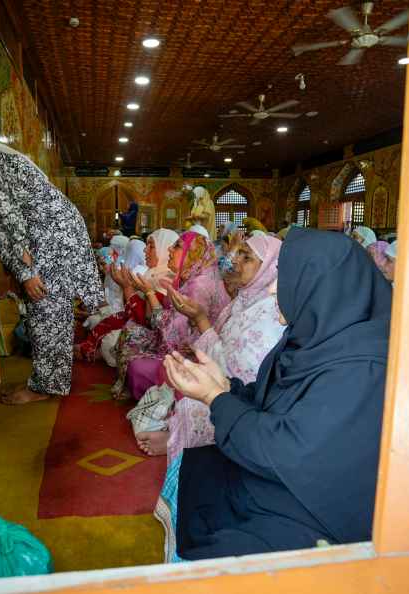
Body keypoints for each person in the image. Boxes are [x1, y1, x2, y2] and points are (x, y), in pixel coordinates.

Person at [161, 228, 392, 560]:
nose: (273, 288)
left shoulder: (363, 367)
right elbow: (272, 396)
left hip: (317, 506)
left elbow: (290, 450)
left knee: (218, 549)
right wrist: (227, 388)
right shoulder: (314, 334)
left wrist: (217, 399)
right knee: (196, 468)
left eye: (284, 277)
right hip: (286, 471)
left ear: (320, 286)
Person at [133, 234, 284, 458]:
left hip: (242, 393)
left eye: (247, 257)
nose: (236, 262)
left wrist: (198, 319)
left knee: (178, 388)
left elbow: (239, 374)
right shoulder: (245, 298)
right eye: (239, 254)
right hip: (214, 368)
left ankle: (175, 438)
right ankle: (174, 434)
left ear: (269, 266)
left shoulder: (269, 311)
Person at [0, 150, 104, 404]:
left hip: (50, 238)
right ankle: (48, 381)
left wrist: (27, 272)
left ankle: (43, 386)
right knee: (55, 313)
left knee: (45, 311)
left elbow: (8, 220)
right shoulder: (2, 158)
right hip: (57, 233)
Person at [111, 231, 229, 400]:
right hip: (185, 345)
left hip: (195, 355)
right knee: (130, 332)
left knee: (136, 364)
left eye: (177, 246)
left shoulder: (198, 285)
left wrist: (149, 293)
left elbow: (176, 338)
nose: (169, 250)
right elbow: (157, 322)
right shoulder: (189, 278)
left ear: (193, 253)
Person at [75, 230, 179, 365]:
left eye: (151, 246)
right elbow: (131, 311)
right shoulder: (151, 274)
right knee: (101, 323)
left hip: (152, 336)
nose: (145, 251)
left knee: (111, 341)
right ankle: (91, 350)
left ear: (164, 249)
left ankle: (94, 352)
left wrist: (127, 288)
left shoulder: (166, 280)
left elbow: (147, 322)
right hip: (133, 322)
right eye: (146, 245)